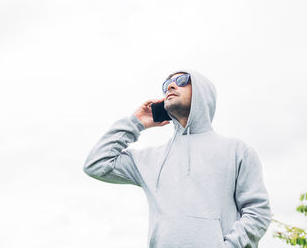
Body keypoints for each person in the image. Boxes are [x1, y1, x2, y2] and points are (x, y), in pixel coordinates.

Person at [83, 68, 272, 248]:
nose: (171, 87)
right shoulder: (149, 159)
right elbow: (97, 163)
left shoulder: (237, 151)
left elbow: (258, 212)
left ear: (202, 92)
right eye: (166, 85)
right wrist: (136, 122)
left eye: (182, 80)